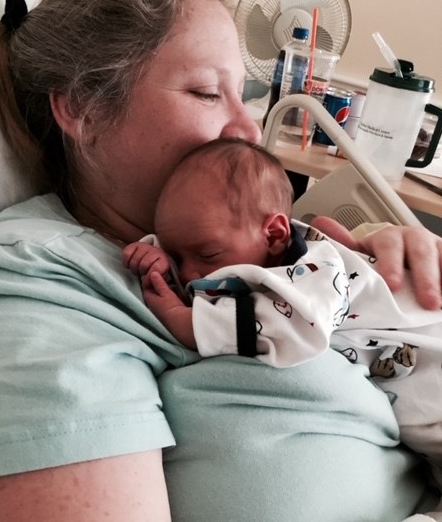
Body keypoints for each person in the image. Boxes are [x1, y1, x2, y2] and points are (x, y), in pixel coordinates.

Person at [0, 0, 442, 522]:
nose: (247, 129)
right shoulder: (32, 297)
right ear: (82, 108)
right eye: (207, 92)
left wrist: (397, 266)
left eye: (243, 95)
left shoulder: (245, 235)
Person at [123, 137, 442, 491]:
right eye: (176, 256)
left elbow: (293, 329)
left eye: (207, 254)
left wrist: (183, 321)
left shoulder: (318, 271)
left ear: (274, 234)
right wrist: (157, 258)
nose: (189, 275)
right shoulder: (242, 252)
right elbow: (204, 270)